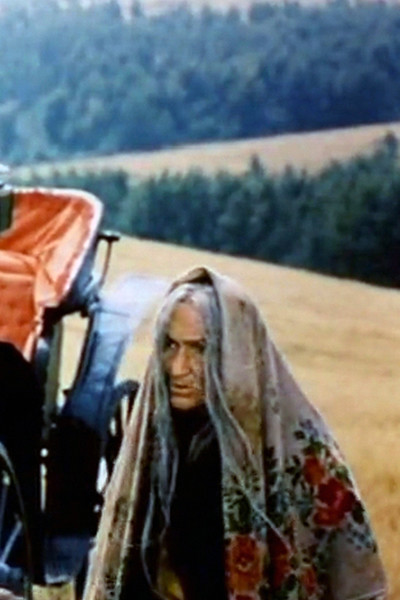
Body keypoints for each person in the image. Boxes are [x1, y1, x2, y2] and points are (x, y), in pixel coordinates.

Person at [84, 266, 387, 600]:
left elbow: (353, 580)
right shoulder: (157, 446)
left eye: (200, 349)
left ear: (236, 355)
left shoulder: (303, 456)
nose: (178, 368)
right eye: (171, 345)